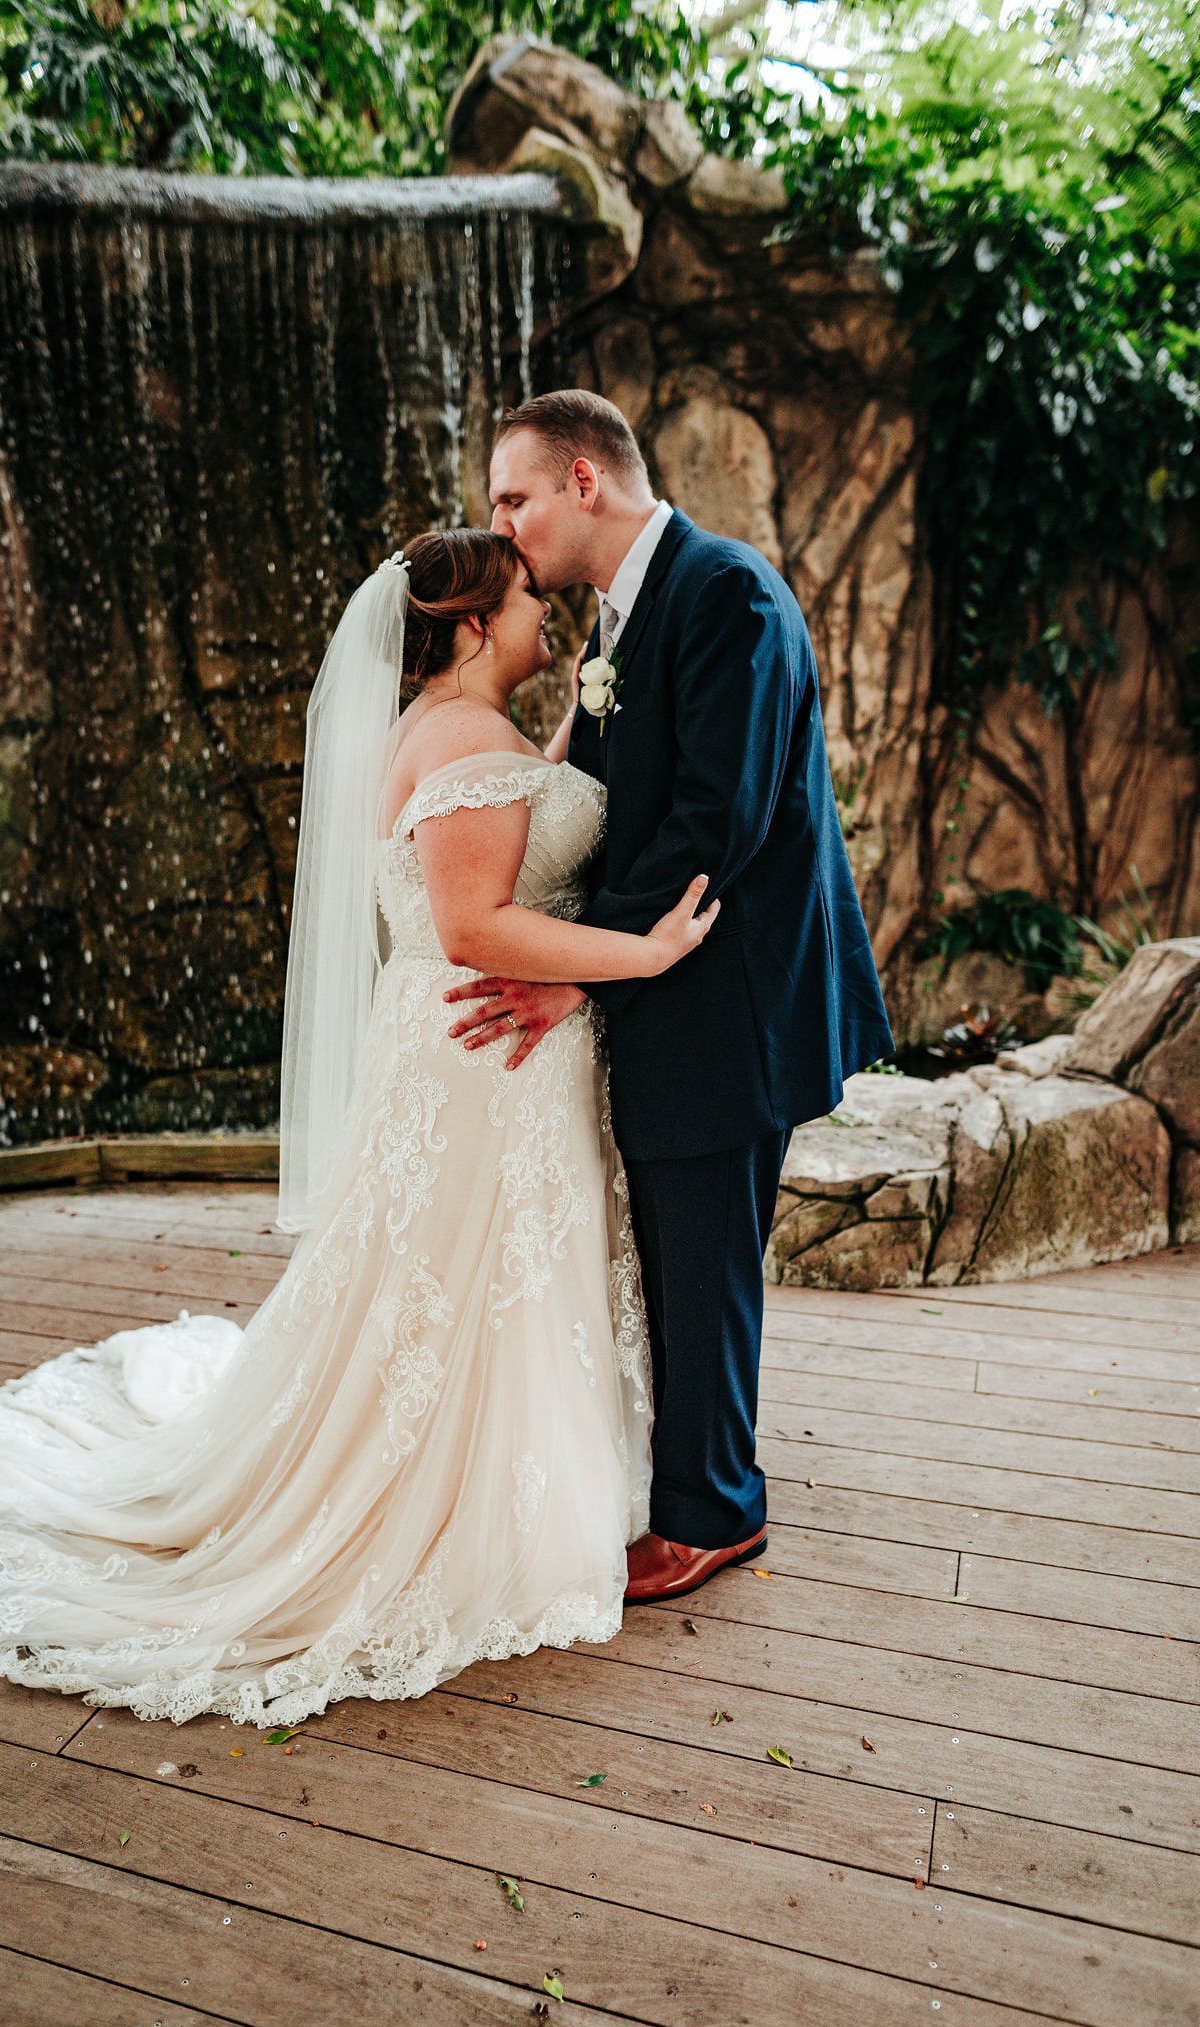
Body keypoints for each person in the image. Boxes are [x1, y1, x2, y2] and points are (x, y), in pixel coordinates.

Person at [0, 527, 718, 1728]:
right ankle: (459, 1508)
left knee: (453, 1286)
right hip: (484, 1059)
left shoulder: (452, 729)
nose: (541, 614)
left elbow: (515, 818)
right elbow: (473, 925)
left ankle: (491, 1477)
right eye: (520, 601)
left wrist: (573, 731)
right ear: (470, 626)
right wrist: (641, 954)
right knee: (463, 1282)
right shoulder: (462, 739)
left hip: (464, 1052)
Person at [445, 391, 895, 1602]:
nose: (501, 523)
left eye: (513, 497)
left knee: (701, 1263)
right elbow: (601, 804)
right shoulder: (618, 618)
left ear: (583, 480)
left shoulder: (726, 594)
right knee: (680, 1252)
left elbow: (714, 820)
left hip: (728, 999)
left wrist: (569, 967)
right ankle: (691, 1479)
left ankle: (711, 1513)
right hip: (664, 987)